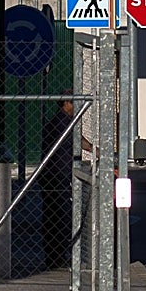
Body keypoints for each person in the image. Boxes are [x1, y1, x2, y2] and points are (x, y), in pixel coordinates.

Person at [38, 92, 93, 270]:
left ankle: (56, 256)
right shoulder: (62, 123)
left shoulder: (62, 122)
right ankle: (57, 257)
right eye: (75, 103)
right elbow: (79, 141)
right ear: (67, 104)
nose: (78, 107)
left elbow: (79, 140)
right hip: (57, 176)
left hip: (54, 176)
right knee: (59, 217)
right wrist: (95, 150)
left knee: (55, 216)